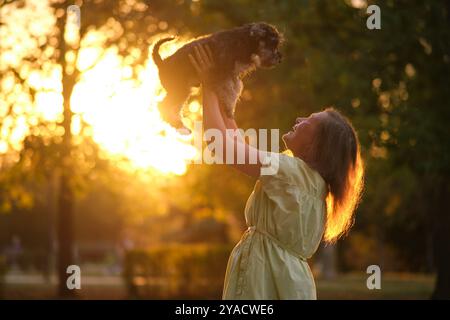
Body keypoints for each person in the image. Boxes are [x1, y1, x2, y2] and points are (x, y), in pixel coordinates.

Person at [188, 44, 364, 299]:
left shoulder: (291, 171)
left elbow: (221, 146)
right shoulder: (304, 177)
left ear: (317, 146)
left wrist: (208, 85)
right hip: (282, 278)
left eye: (308, 122)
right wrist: (222, 94)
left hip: (266, 282)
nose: (298, 120)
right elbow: (237, 145)